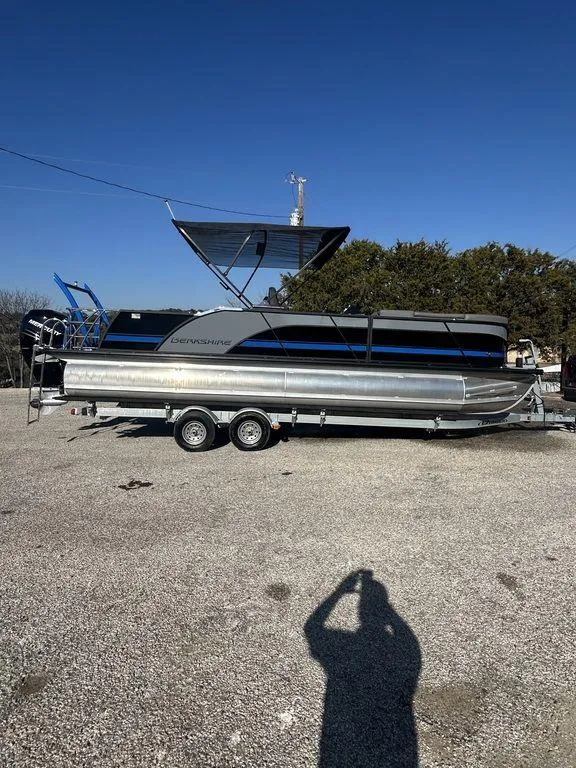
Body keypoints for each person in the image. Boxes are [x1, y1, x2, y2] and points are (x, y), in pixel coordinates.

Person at [305, 570, 421, 768]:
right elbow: (407, 640)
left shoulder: (344, 646)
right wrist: (389, 613)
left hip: (339, 737)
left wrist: (339, 592)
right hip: (396, 744)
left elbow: (312, 628)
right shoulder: (401, 651)